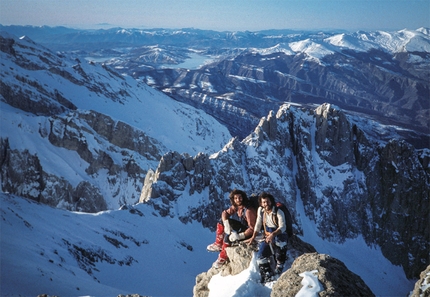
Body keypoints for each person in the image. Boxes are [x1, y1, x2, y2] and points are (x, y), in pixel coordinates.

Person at [207, 189, 257, 268]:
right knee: (221, 221)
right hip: (243, 226)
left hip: (249, 233)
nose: (238, 200)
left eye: (240, 197)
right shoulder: (237, 206)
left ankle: (222, 257)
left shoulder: (248, 211)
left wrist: (240, 236)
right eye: (236, 198)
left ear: (243, 197)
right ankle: (218, 244)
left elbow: (252, 228)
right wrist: (226, 223)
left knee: (228, 237)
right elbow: (225, 213)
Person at [246, 192, 289, 283]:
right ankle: (267, 275)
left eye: (267, 202)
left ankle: (280, 265)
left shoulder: (278, 212)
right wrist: (253, 237)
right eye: (264, 202)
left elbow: (283, 227)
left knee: (280, 245)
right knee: (260, 256)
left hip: (279, 233)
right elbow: (258, 223)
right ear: (261, 203)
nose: (266, 204)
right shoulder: (261, 211)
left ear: (271, 202)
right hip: (267, 234)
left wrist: (273, 234)